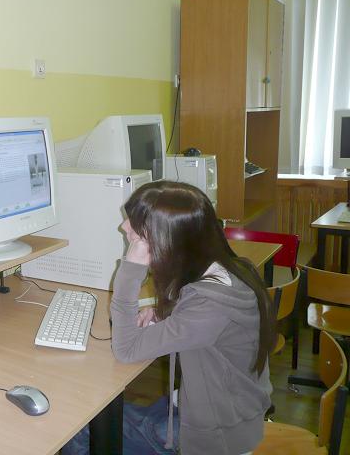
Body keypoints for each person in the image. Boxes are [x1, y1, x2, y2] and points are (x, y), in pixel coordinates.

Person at [108, 180, 275, 454]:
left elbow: (125, 350)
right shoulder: (229, 270)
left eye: (136, 226)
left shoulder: (209, 305)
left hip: (217, 436)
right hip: (224, 407)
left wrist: (130, 271)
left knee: (86, 425)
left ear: (168, 241)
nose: (125, 226)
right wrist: (167, 312)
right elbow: (203, 318)